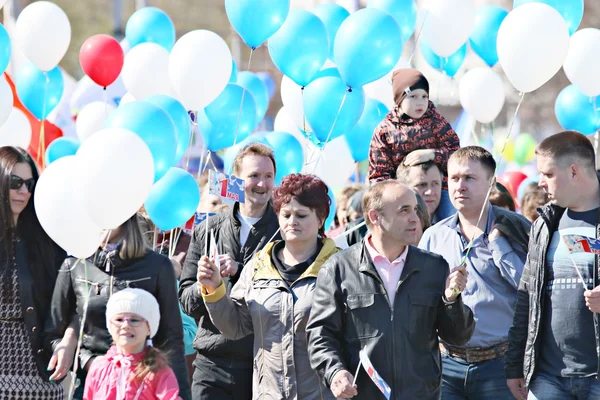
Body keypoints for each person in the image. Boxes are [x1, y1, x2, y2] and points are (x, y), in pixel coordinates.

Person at [307, 180, 475, 399]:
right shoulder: (338, 268)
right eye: (404, 210)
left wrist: (452, 300)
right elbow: (321, 335)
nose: (415, 218)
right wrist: (335, 372)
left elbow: (458, 337)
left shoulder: (434, 267)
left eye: (415, 209)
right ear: (375, 217)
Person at [198, 173, 339, 399]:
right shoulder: (258, 265)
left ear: (321, 219)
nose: (292, 221)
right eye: (286, 214)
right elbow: (235, 326)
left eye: (302, 215)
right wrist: (215, 291)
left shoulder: (340, 266)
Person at [419, 146, 531, 400]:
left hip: (501, 366)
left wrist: (500, 248)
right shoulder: (433, 237)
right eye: (455, 178)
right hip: (447, 365)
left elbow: (532, 288)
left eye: (469, 178)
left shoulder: (518, 229)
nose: (460, 186)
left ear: (491, 184)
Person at [45, 213, 191, 400]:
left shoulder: (158, 266)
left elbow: (172, 339)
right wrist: (90, 362)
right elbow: (52, 334)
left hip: (146, 387)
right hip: (92, 386)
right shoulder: (74, 265)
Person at [179, 142, 281, 400]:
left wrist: (239, 271)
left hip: (261, 364)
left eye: (268, 176)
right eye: (254, 176)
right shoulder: (208, 228)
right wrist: (207, 285)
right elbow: (187, 301)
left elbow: (285, 291)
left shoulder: (284, 232)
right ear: (235, 181)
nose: (262, 184)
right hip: (211, 363)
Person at [505, 131, 600, 400]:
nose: (540, 183)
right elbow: (527, 298)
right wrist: (515, 366)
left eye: (548, 174)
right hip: (547, 379)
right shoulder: (544, 224)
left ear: (573, 171)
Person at [0, 147, 68, 399]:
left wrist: (68, 342)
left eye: (30, 184)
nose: (24, 192)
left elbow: (72, 300)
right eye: (15, 182)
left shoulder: (48, 240)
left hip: (39, 372)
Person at [368, 68, 460, 220]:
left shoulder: (435, 121)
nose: (420, 102)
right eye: (413, 96)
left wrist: (431, 154)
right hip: (402, 195)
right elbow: (379, 174)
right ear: (399, 99)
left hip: (439, 192)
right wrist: (394, 195)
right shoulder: (385, 130)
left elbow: (456, 154)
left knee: (449, 226)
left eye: (424, 96)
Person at [83, 288, 181, 400]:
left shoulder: (158, 370)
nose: (125, 325)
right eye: (119, 319)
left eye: (134, 320)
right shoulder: (98, 367)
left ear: (149, 328)